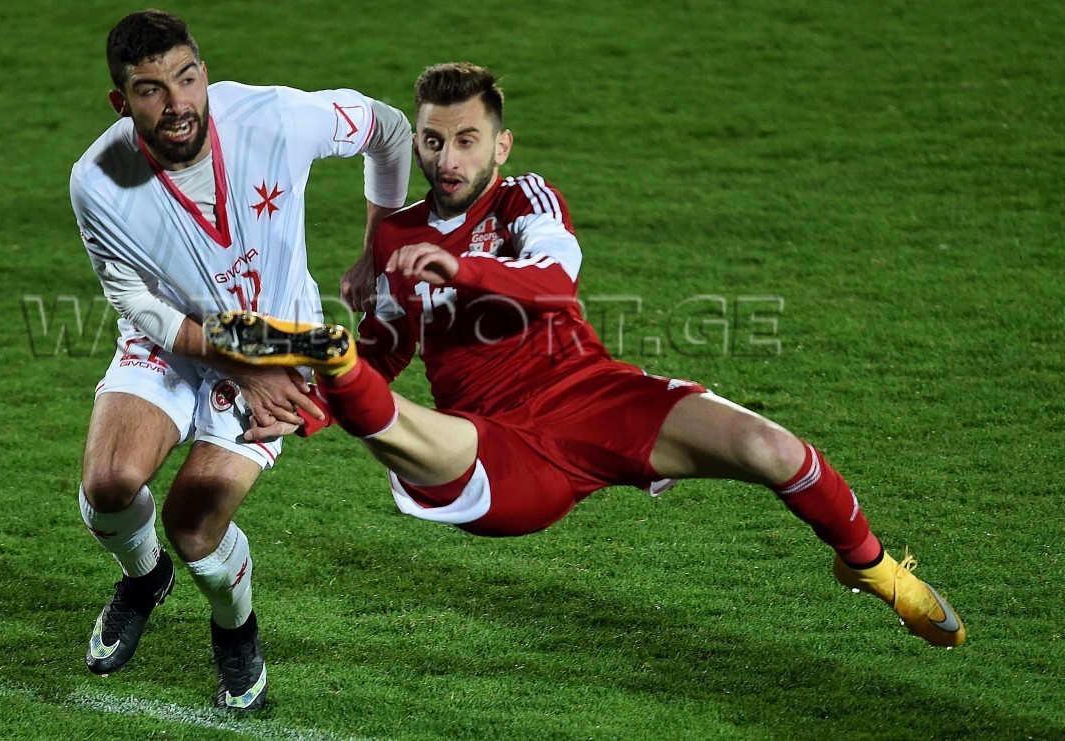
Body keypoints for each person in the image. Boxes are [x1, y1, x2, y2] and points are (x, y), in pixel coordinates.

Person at [206, 62, 965, 649]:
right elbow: (390, 345)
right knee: (380, 394)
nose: (446, 157)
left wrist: (462, 268)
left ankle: (871, 567)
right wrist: (307, 411)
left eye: (467, 140)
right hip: (498, 442)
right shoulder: (396, 237)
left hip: (595, 395)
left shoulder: (525, 199)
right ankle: (327, 361)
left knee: (773, 448)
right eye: (433, 140)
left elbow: (553, 278)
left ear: (500, 145)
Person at [67, 10, 412, 710]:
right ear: (121, 102)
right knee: (108, 484)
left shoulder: (272, 119)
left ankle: (235, 629)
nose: (177, 103)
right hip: (173, 340)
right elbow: (143, 308)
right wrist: (242, 366)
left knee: (195, 528)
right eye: (150, 89)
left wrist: (378, 249)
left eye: (187, 78)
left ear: (205, 72)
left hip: (282, 342)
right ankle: (144, 578)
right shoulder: (100, 179)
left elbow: (391, 130)